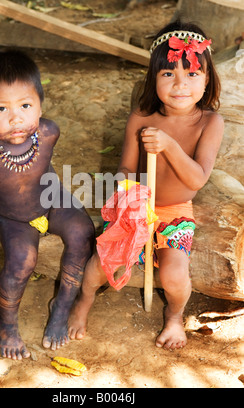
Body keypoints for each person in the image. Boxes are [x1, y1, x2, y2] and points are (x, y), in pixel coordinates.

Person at [68, 20, 224, 351]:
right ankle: (83, 300)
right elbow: (125, 167)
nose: (180, 84)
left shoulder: (210, 122)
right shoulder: (141, 116)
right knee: (102, 262)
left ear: (207, 78)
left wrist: (169, 145)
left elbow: (197, 179)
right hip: (137, 203)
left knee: (174, 276)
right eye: (168, 74)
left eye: (192, 74)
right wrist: (127, 192)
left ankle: (173, 315)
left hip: (176, 212)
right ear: (153, 80)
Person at [0, 49, 95, 359]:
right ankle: (7, 324)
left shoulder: (49, 132)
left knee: (83, 232)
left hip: (52, 199)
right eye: (1, 108)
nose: (15, 118)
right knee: (21, 262)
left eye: (26, 105)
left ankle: (62, 305)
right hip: (12, 216)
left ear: (40, 104)